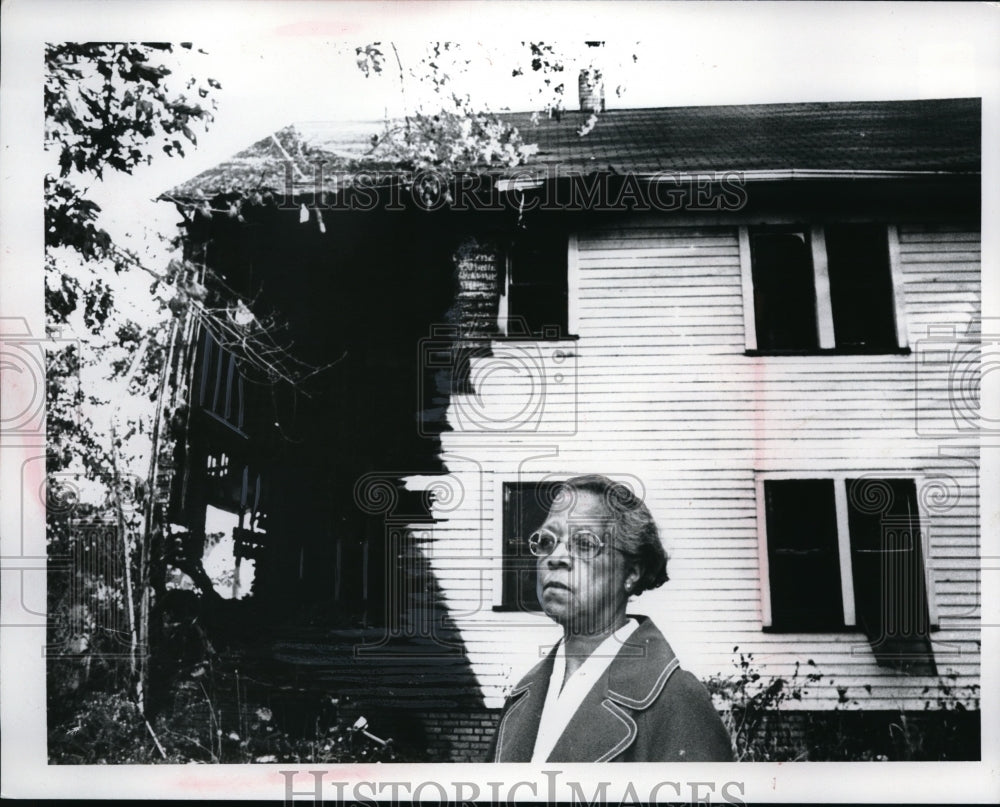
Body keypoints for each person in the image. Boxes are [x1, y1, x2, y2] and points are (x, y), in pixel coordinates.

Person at [488, 474, 733, 762]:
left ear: (632, 572)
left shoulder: (677, 701)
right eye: (546, 541)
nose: (556, 557)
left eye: (584, 544)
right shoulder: (522, 697)